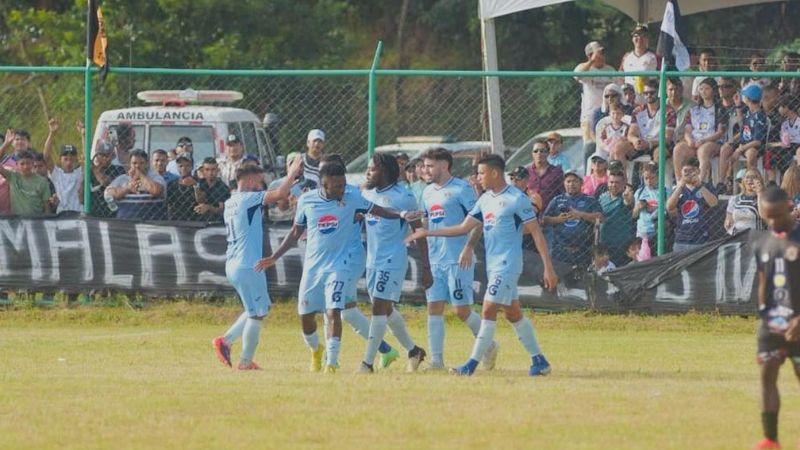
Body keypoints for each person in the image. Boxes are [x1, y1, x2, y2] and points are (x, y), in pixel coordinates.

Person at [406, 154, 558, 377]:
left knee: (488, 309)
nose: (478, 178)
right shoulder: (485, 199)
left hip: (508, 264)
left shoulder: (516, 199)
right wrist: (428, 231)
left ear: (495, 173)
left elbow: (536, 232)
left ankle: (470, 365)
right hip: (493, 264)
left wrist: (548, 267)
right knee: (513, 312)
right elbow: (462, 227)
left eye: (481, 173)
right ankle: (540, 361)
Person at [256, 161, 409, 373]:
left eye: (344, 184)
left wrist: (401, 214)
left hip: (343, 263)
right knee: (306, 316)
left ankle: (332, 362)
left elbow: (380, 210)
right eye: (337, 186)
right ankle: (316, 350)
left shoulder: (352, 197)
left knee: (334, 310)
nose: (342, 189)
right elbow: (295, 232)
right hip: (314, 266)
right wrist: (275, 256)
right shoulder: (307, 201)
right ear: (324, 185)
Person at [211, 156, 304, 370]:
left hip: (234, 264)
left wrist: (288, 181)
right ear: (249, 178)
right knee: (257, 313)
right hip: (248, 264)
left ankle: (225, 342)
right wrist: (292, 173)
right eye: (259, 180)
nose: (261, 185)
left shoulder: (230, 201)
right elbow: (280, 194)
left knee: (259, 308)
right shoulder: (248, 199)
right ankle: (244, 361)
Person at [419, 147, 498, 371]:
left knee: (461, 310)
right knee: (433, 307)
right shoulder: (426, 192)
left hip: (458, 259)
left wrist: (468, 248)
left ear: (444, 165)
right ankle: (437, 361)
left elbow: (478, 220)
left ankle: (489, 345)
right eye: (424, 166)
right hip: (435, 260)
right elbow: (427, 222)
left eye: (430, 166)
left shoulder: (461, 189)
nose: (426, 170)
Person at [357, 153, 432, 373]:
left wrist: (426, 267)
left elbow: (419, 231)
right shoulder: (366, 194)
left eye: (371, 169)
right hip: (372, 261)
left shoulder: (404, 197)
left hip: (393, 260)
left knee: (378, 309)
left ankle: (367, 364)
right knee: (386, 310)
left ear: (384, 171)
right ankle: (413, 351)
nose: (367, 173)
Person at [750, 186, 800, 450]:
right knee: (767, 376)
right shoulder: (761, 241)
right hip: (773, 323)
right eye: (768, 218)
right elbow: (763, 281)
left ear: (789, 207)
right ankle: (771, 440)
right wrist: (765, 314)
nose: (774, 222)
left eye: (778, 216)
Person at [543, 171, 603, 268]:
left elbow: (600, 217)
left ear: (581, 183)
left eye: (575, 181)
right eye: (568, 181)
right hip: (560, 251)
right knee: (561, 279)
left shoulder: (590, 200)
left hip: (584, 250)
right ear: (564, 183)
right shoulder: (557, 200)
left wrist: (580, 214)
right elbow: (544, 219)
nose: (571, 184)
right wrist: (557, 219)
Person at [673, 78, 726, 183]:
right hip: (695, 141)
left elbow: (720, 132)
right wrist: (689, 141)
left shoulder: (720, 109)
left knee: (703, 151)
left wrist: (703, 141)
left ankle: (699, 181)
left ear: (714, 90)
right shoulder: (693, 109)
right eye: (701, 89)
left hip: (711, 141)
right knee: (678, 149)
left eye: (707, 88)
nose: (703, 91)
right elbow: (687, 130)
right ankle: (679, 182)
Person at [719, 84, 768, 193]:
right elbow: (743, 126)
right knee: (725, 149)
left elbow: (757, 141)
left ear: (749, 99)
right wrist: (737, 106)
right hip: (743, 143)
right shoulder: (748, 112)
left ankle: (752, 186)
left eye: (744, 96)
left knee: (751, 154)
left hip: (752, 146)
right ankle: (722, 183)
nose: (742, 98)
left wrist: (740, 149)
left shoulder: (760, 115)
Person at [666, 157, 719, 252]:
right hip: (681, 239)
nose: (688, 173)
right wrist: (680, 187)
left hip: (701, 239)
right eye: (686, 171)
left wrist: (699, 186)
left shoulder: (706, 186)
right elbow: (669, 207)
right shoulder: (678, 189)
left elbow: (714, 203)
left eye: (692, 170)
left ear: (698, 171)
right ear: (681, 172)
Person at [626, 80, 676, 172]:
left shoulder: (669, 111)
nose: (648, 95)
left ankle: (655, 184)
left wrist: (649, 143)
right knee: (619, 148)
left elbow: (667, 138)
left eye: (652, 93)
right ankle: (622, 181)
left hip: (660, 144)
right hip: (642, 143)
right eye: (646, 93)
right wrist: (635, 140)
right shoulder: (637, 111)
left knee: (659, 153)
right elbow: (631, 134)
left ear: (658, 93)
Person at [574, 41, 618, 145]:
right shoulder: (585, 68)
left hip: (608, 114)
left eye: (603, 53)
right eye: (599, 53)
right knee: (590, 146)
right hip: (589, 116)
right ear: (590, 55)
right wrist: (591, 61)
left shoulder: (610, 69)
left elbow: (618, 86)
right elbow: (577, 76)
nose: (603, 56)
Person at [105, 149, 167, 220]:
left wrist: (140, 175)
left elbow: (156, 191)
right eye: (134, 163)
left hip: (151, 223)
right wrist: (127, 188)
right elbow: (110, 194)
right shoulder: (122, 178)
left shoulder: (155, 177)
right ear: (130, 164)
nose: (137, 166)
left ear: (147, 163)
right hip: (123, 223)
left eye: (141, 163)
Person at [41, 118, 83, 215]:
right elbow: (46, 156)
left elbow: (86, 157)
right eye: (66, 159)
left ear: (76, 159)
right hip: (61, 213)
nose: (69, 162)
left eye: (71, 159)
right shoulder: (56, 173)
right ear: (60, 159)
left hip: (77, 213)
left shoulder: (79, 173)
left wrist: (83, 135)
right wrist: (52, 133)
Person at [633, 163, 671, 256]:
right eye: (646, 178)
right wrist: (637, 208)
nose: (649, 181)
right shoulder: (639, 192)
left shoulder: (666, 191)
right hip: (643, 231)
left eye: (652, 178)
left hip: (659, 231)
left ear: (658, 177)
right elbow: (634, 215)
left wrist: (654, 208)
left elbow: (670, 210)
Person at [598, 172, 635, 266]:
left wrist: (628, 200)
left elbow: (628, 203)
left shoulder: (627, 197)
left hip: (622, 244)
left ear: (623, 184)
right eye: (611, 182)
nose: (614, 185)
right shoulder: (602, 197)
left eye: (617, 182)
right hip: (605, 243)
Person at [0, 150, 50, 216]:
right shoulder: (12, 176)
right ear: (17, 165)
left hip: (36, 221)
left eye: (28, 163)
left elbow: (46, 206)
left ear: (33, 164)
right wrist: (6, 143)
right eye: (22, 164)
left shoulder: (42, 181)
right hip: (17, 221)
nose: (25, 166)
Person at [0, 128, 35, 215]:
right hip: (5, 207)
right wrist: (5, 144)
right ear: (12, 142)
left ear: (28, 142)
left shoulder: (35, 160)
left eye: (23, 139)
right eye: (17, 139)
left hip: (28, 208)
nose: (20, 142)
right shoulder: (4, 159)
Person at [619, 23, 658, 99]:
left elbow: (662, 78)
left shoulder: (654, 57)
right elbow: (620, 76)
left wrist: (649, 79)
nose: (639, 39)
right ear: (632, 39)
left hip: (647, 99)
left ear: (647, 39)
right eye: (636, 36)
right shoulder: (626, 57)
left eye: (643, 36)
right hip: (629, 100)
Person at [724, 169, 765, 235]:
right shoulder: (734, 199)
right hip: (737, 237)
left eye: (753, 177)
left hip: (756, 237)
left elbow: (764, 216)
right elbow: (728, 221)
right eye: (747, 177)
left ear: (759, 180)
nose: (750, 179)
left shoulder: (765, 198)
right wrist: (728, 224)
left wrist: (759, 193)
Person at [527, 138, 564, 211]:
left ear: (548, 153)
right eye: (535, 151)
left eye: (542, 151)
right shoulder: (526, 172)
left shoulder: (557, 171)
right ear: (532, 154)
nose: (539, 153)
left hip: (551, 213)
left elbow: (562, 194)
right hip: (530, 214)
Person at [194, 157, 230, 222]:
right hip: (199, 222)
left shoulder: (223, 187)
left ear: (217, 170)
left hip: (217, 223)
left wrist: (209, 208)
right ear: (203, 171)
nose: (210, 173)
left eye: (213, 169)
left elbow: (222, 210)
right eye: (207, 169)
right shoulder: (199, 184)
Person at [166, 155, 199, 221]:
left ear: (192, 167)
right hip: (175, 219)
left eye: (187, 165)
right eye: (181, 166)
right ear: (177, 167)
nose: (184, 168)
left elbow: (202, 201)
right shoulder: (171, 184)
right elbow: (168, 204)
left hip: (195, 219)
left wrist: (195, 185)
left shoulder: (199, 182)